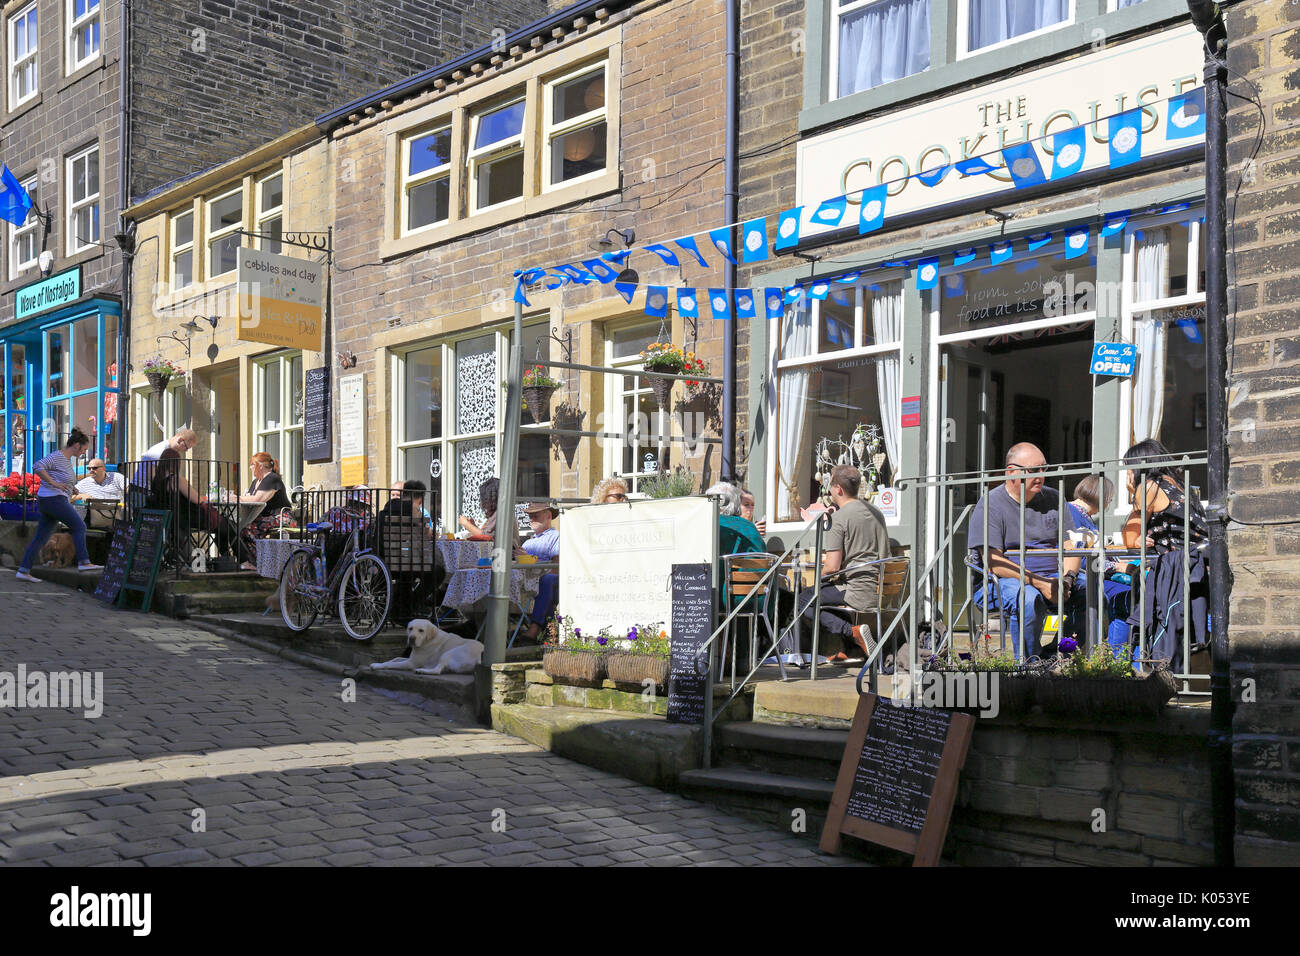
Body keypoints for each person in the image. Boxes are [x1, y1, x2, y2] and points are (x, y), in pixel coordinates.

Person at [968, 442, 1084, 661]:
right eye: (1033, 471)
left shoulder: (1053, 498)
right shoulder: (991, 504)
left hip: (1054, 577)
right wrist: (1041, 583)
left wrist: (1067, 579)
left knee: (1091, 591)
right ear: (1011, 471)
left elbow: (1071, 546)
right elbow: (994, 561)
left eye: (1044, 469)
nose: (1040, 476)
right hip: (999, 581)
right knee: (1028, 598)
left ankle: (1058, 654)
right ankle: (1029, 664)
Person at [1120, 439, 1210, 670]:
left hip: (1175, 571)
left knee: (1130, 603)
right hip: (1199, 566)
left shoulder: (1148, 487)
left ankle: (1133, 668)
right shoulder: (1180, 485)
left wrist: (1134, 495)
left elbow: (1130, 537)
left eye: (1129, 467)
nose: (1128, 474)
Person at [794, 465, 890, 662]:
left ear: (838, 489)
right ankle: (853, 650)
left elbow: (832, 568)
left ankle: (852, 632)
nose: (829, 491)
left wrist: (817, 574)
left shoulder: (839, 518)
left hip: (856, 591)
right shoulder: (876, 512)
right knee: (827, 592)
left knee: (804, 600)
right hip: (880, 591)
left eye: (830, 486)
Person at [15, 428, 103, 581]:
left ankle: (23, 570)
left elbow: (63, 479)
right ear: (76, 445)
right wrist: (53, 483)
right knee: (80, 526)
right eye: (84, 449)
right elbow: (37, 466)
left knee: (40, 538)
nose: (84, 452)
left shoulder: (66, 461)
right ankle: (84, 562)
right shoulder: (57, 456)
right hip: (54, 500)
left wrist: (72, 487)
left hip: (50, 501)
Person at [150, 447, 251, 566]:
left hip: (176, 520)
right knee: (230, 527)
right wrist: (204, 498)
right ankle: (244, 562)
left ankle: (226, 560)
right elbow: (196, 500)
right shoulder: (176, 480)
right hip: (192, 517)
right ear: (176, 463)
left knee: (223, 527)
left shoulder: (156, 482)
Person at [516, 502, 560, 641]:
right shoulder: (527, 543)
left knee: (547, 580)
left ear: (548, 516)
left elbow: (557, 566)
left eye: (535, 516)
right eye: (530, 516)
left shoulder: (555, 537)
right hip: (525, 582)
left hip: (547, 583)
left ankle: (535, 628)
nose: (531, 519)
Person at [130, 428, 197, 515]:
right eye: (186, 447)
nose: (185, 450)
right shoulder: (159, 451)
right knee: (141, 522)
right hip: (141, 490)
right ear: (180, 440)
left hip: (148, 491)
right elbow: (152, 477)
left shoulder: (168, 452)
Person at [708, 482, 765, 555]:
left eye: (752, 505)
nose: (750, 509)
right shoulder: (748, 527)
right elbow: (761, 555)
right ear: (737, 503)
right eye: (746, 505)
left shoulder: (706, 523)